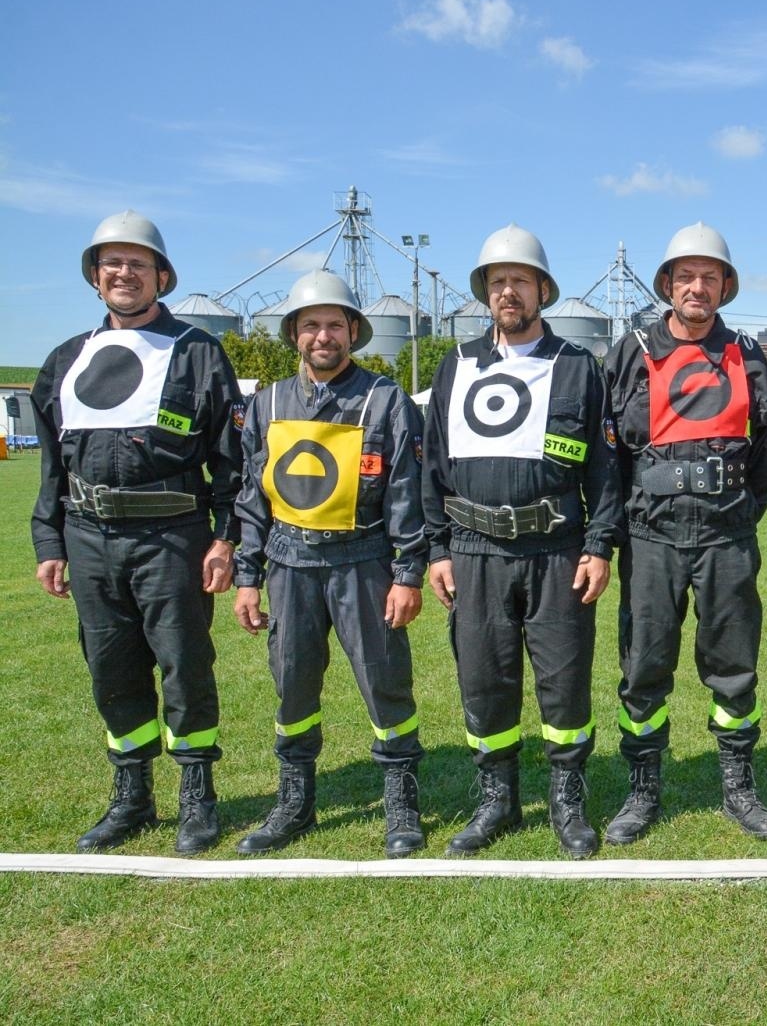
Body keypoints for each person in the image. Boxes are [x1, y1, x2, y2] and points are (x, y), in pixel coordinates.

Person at [31, 210, 242, 854]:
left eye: (137, 263)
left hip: (172, 536)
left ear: (161, 276)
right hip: (90, 537)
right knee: (111, 669)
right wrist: (50, 541)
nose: (124, 273)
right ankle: (131, 795)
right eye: (111, 263)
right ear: (96, 278)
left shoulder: (198, 352)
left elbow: (230, 456)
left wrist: (225, 537)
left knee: (184, 663)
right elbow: (50, 462)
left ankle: (196, 795)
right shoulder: (67, 359)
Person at [422, 225, 622, 859]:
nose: (509, 291)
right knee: (485, 679)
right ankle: (497, 800)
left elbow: (605, 471)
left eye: (521, 281)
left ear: (542, 290)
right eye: (497, 281)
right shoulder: (454, 366)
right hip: (474, 551)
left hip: (556, 550)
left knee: (564, 682)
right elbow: (432, 465)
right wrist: (437, 549)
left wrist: (599, 545)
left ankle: (568, 802)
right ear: (486, 292)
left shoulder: (577, 367)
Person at [232, 270, 428, 857]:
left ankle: (401, 804)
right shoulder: (265, 403)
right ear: (294, 333)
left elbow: (405, 493)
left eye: (334, 325)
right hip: (287, 565)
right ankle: (295, 801)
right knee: (292, 687)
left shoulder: (384, 399)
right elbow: (251, 496)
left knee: (384, 682)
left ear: (352, 333)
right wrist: (246, 577)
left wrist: (407, 573)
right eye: (311, 324)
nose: (323, 335)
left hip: (363, 562)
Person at [601, 222, 767, 843]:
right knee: (645, 664)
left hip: (727, 535)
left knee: (734, 665)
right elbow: (610, 455)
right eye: (686, 276)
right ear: (668, 285)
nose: (697, 287)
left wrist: (732, 515)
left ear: (725, 286)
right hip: (651, 537)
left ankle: (738, 787)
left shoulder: (748, 354)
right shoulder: (630, 350)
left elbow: (765, 458)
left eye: (710, 277)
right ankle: (642, 791)